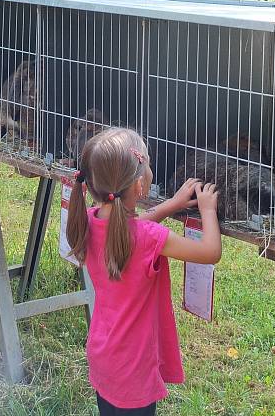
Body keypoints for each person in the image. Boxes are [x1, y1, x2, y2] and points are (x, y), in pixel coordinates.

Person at [66, 128, 222, 415]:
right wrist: (208, 210)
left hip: (104, 356)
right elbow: (210, 252)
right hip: (133, 368)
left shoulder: (89, 221)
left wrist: (171, 205)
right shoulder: (149, 237)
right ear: (139, 186)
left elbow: (129, 228)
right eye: (147, 163)